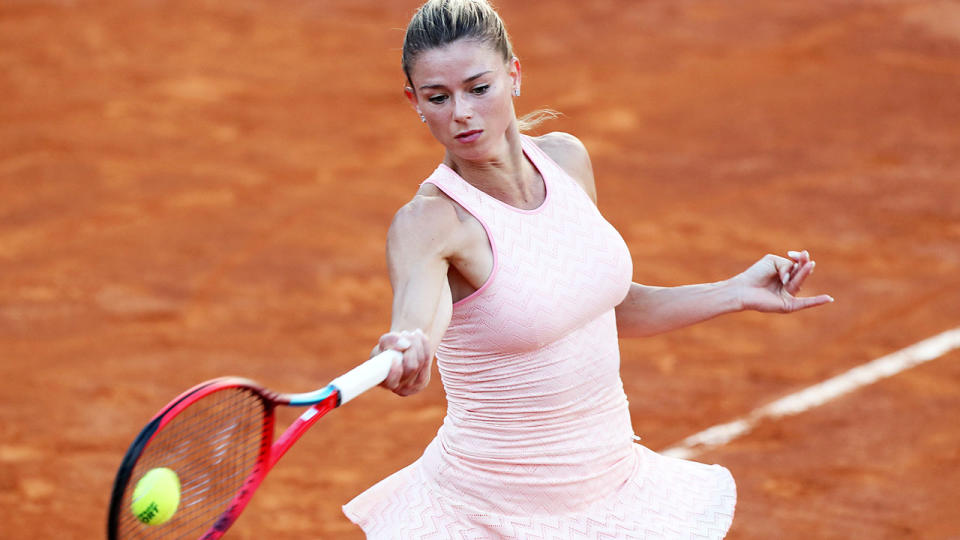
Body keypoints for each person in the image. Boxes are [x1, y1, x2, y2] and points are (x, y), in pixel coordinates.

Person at [342, 0, 833, 537]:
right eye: (439, 97)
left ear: (514, 74)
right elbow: (418, 323)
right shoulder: (431, 223)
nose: (460, 112)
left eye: (478, 88)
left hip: (611, 493)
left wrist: (735, 292)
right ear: (415, 101)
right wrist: (407, 349)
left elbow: (609, 306)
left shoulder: (567, 161)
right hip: (491, 515)